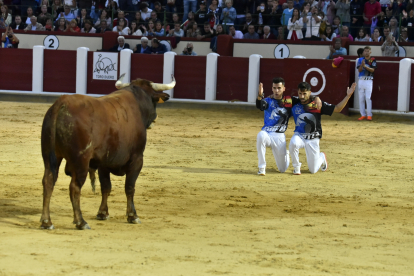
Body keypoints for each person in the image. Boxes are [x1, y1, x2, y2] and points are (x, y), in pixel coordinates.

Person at [289, 81, 356, 175]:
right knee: (293, 143)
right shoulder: (294, 102)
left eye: (305, 93)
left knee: (313, 170)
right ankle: (296, 167)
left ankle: (322, 157)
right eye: (300, 93)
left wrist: (348, 96)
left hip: (313, 138)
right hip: (300, 135)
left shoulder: (317, 104)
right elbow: (278, 99)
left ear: (310, 92)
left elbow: (337, 108)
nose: (302, 96)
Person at [256, 78, 298, 175]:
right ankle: (261, 168)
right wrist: (259, 95)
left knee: (282, 169)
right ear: (272, 88)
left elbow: (305, 99)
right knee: (260, 135)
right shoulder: (267, 100)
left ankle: (286, 154)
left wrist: (315, 98)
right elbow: (259, 105)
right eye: (274, 88)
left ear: (284, 88)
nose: (276, 91)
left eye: (279, 88)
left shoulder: (289, 100)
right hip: (267, 133)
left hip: (279, 136)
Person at [356, 46, 376, 121]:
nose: (366, 52)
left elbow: (372, 70)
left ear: (370, 52)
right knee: (361, 98)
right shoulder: (360, 60)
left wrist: (365, 66)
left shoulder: (372, 60)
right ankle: (363, 114)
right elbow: (359, 70)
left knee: (368, 98)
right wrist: (362, 65)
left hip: (369, 80)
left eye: (368, 51)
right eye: (365, 51)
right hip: (361, 80)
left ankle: (369, 115)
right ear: (364, 52)